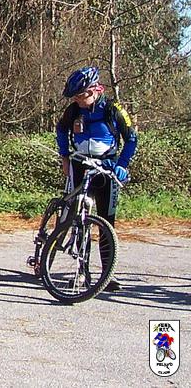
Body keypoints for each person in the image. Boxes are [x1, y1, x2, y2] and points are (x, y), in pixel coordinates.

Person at [55, 65, 136, 291]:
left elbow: (131, 139)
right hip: (80, 167)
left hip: (106, 169)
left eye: (80, 96)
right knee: (79, 220)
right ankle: (81, 272)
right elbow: (61, 131)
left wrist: (122, 165)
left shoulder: (113, 109)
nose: (77, 100)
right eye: (75, 97)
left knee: (106, 222)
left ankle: (107, 274)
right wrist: (65, 157)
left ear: (93, 90)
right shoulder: (73, 111)